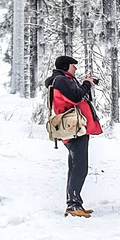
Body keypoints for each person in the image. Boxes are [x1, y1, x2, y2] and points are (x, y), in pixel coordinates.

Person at [44, 55, 103, 218]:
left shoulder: (63, 80)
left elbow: (78, 96)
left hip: (75, 130)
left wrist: (85, 85)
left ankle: (74, 202)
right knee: (79, 168)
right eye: (73, 65)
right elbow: (76, 97)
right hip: (74, 131)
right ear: (65, 66)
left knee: (75, 167)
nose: (75, 68)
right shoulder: (61, 80)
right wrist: (85, 84)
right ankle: (73, 205)